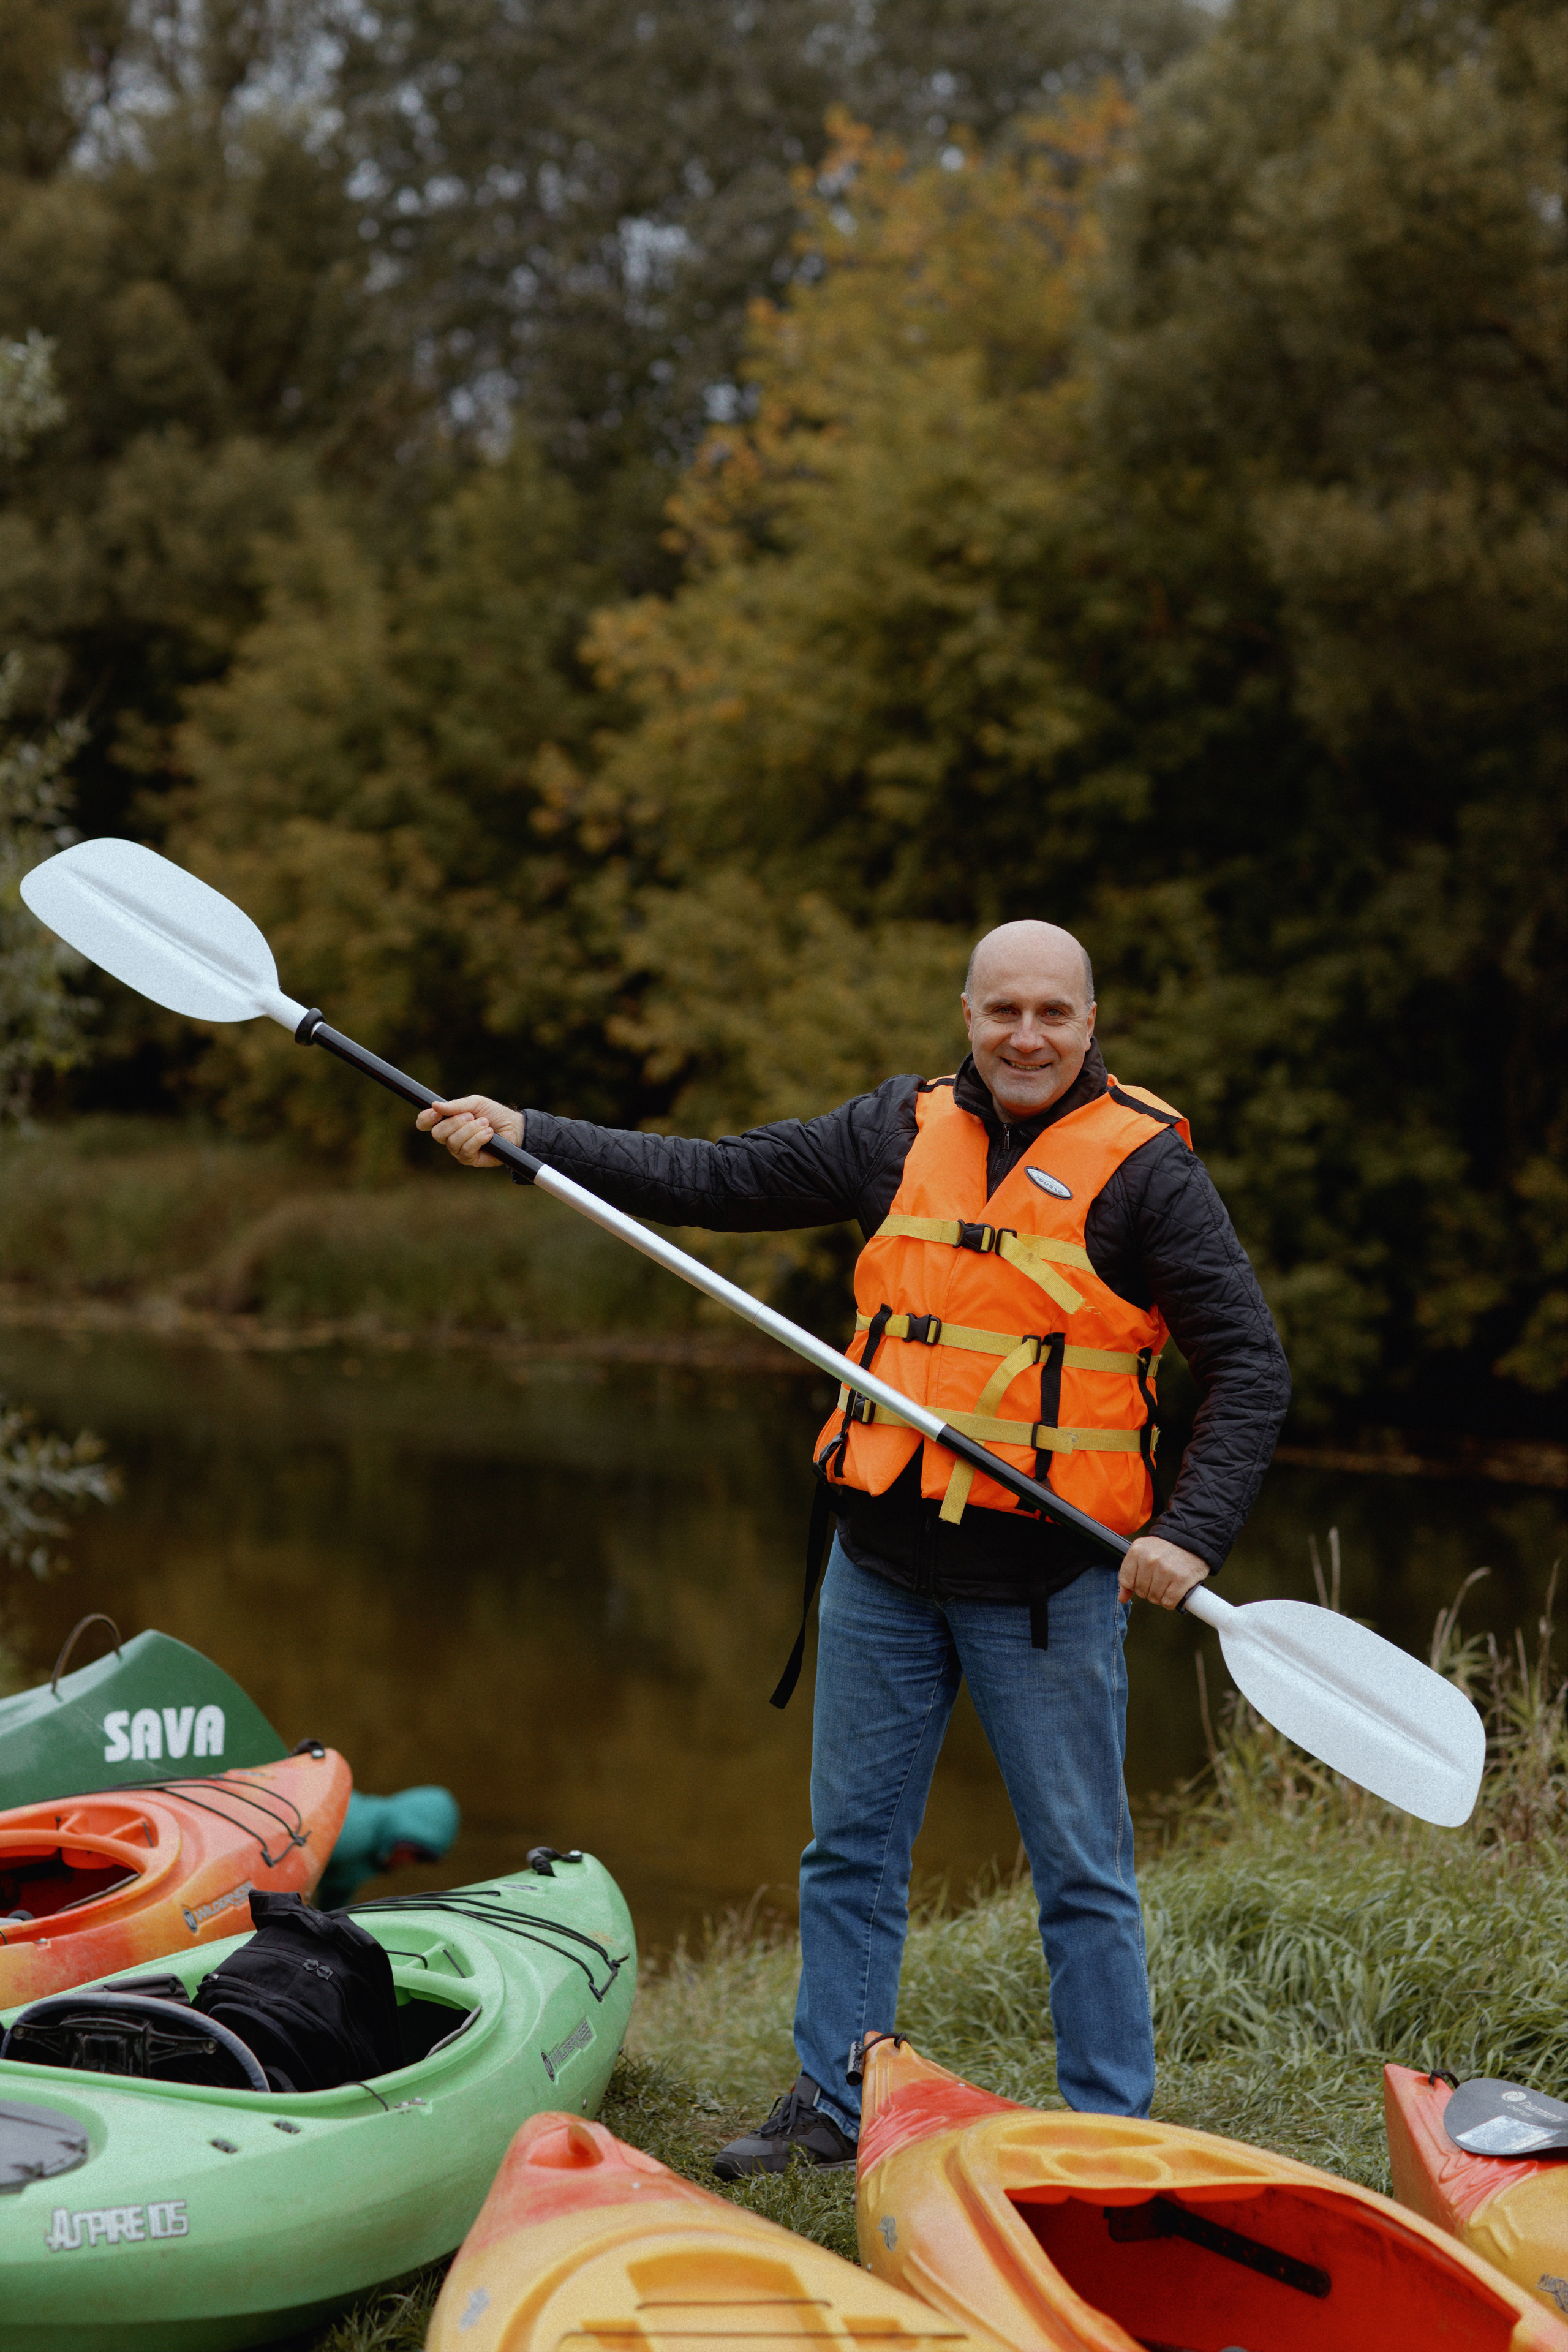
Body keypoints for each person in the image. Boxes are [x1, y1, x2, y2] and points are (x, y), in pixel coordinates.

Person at [416, 919, 1290, 2175]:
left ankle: (1105, 2130)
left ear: (1090, 1026)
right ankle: (834, 2107)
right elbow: (711, 1179)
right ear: (966, 1014)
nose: (1025, 1036)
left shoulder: (1147, 1173)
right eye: (1001, 1012)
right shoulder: (892, 1129)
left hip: (1044, 1585)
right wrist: (531, 1135)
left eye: (1051, 1013)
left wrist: (1187, 1534)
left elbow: (1249, 1367)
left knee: (1081, 1876)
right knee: (850, 1851)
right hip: (877, 1563)